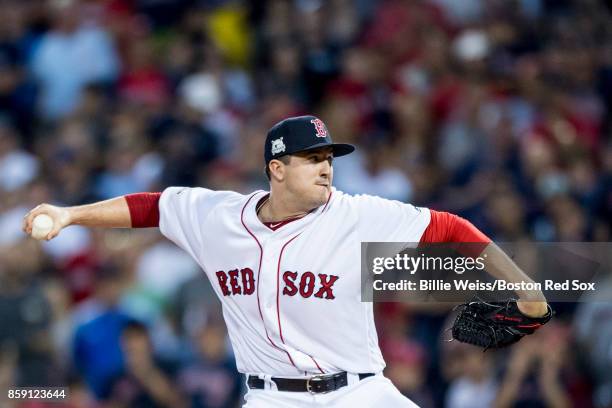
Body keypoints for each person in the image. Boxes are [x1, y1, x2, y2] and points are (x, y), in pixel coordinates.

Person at [23, 115, 549, 407]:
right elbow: (150, 207)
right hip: (274, 399)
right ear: (277, 168)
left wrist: (527, 290)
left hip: (360, 392)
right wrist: (70, 215)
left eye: (330, 159)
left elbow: (453, 229)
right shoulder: (216, 217)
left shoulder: (359, 215)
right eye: (314, 159)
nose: (327, 169)